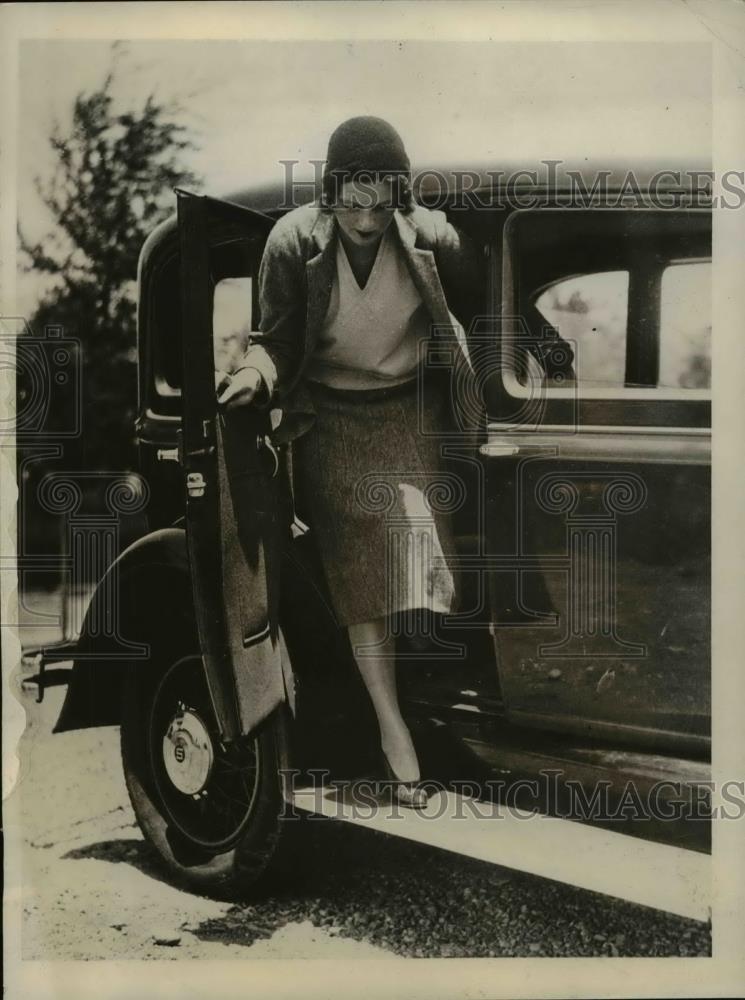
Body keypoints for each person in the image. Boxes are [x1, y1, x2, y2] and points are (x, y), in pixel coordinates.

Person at [218, 116, 485, 808]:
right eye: (351, 199)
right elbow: (274, 339)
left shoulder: (429, 236)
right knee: (364, 568)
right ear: (329, 191)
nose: (365, 217)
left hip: (406, 411)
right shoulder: (291, 242)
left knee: (419, 551)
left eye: (381, 199)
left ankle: (420, 709)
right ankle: (394, 735)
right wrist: (253, 377)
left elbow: (481, 297)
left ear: (399, 192)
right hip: (329, 416)